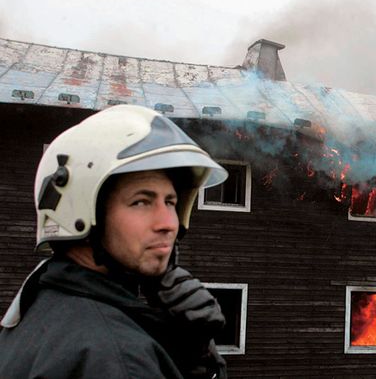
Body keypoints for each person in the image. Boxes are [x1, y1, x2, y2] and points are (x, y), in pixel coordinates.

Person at [0, 105, 229, 378]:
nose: (168, 223)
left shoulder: (37, 305)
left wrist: (188, 354)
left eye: (170, 202)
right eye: (141, 202)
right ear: (82, 210)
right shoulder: (120, 357)